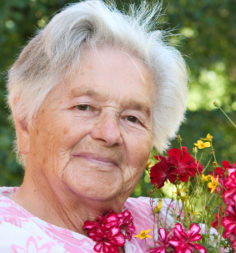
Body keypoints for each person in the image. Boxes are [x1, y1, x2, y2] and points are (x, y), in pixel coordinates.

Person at [0, 0, 188, 252]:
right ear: (25, 121)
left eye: (132, 118)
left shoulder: (171, 226)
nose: (109, 134)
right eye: (84, 107)